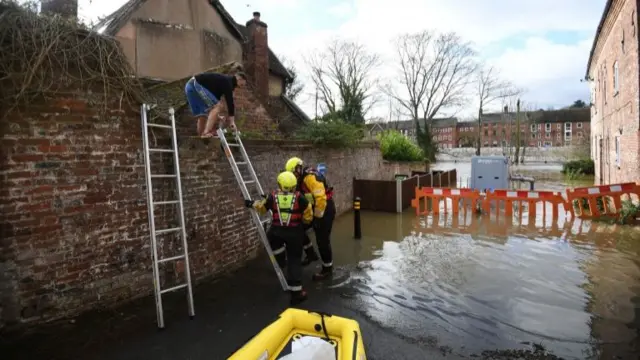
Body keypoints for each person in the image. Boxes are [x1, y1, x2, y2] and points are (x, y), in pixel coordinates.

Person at [245, 171, 313, 305]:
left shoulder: (273, 196)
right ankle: (296, 293)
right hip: (295, 233)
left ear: (280, 184)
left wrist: (251, 203)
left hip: (277, 231)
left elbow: (262, 208)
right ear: (294, 185)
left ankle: (281, 261)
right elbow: (308, 214)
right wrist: (304, 224)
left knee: (273, 242)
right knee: (295, 260)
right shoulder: (301, 198)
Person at [284, 157, 336, 281]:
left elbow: (321, 199)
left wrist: (318, 218)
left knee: (322, 240)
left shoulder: (310, 177)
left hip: (324, 209)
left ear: (298, 169)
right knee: (299, 228)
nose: (293, 176)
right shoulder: (299, 178)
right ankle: (311, 254)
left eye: (293, 173)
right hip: (313, 209)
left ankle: (327, 269)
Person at [184, 71, 247, 138]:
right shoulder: (229, 81)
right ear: (240, 79)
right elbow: (230, 102)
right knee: (219, 106)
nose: (240, 87)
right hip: (196, 84)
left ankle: (202, 137)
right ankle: (206, 132)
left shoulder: (221, 83)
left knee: (202, 116)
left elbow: (213, 104)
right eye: (242, 85)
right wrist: (232, 121)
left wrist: (218, 116)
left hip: (189, 86)